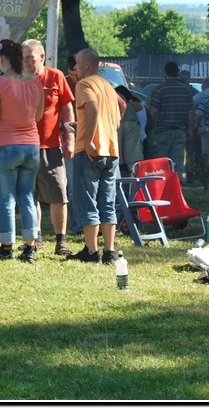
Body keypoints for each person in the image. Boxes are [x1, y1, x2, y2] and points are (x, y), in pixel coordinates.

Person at [0, 39, 44, 263]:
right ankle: (30, 247)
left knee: (6, 199)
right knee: (27, 197)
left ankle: (7, 246)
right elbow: (37, 116)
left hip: (6, 145)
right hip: (31, 146)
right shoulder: (35, 82)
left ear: (1, 58)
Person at [66, 47, 124, 265]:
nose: (75, 68)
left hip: (89, 151)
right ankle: (109, 251)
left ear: (87, 65)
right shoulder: (109, 87)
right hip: (111, 151)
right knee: (107, 203)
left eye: (78, 64)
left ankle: (91, 251)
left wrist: (89, 138)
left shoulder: (84, 84)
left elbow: (92, 109)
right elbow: (122, 107)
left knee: (87, 200)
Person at [22, 39, 74, 256]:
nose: (25, 62)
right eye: (22, 58)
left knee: (58, 193)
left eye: (29, 57)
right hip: (24, 144)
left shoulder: (56, 76)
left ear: (42, 57)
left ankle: (61, 241)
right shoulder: (18, 79)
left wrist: (70, 139)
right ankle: (36, 238)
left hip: (50, 146)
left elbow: (68, 109)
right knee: (29, 195)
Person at [146, 61, 195, 179]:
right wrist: (190, 129)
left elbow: (154, 111)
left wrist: (147, 127)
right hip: (180, 131)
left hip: (163, 130)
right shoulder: (186, 90)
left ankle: (161, 188)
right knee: (177, 162)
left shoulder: (159, 89)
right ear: (178, 73)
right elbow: (191, 112)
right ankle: (176, 187)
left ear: (165, 73)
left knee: (161, 162)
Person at [63, 53, 82, 235]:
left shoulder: (92, 83)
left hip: (89, 141)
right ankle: (78, 226)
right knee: (73, 188)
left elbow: (121, 105)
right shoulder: (65, 83)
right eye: (72, 74)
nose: (75, 78)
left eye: (78, 74)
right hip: (70, 141)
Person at [114, 85, 145, 177]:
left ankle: (121, 186)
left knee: (116, 158)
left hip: (116, 124)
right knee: (133, 158)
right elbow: (123, 104)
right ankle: (135, 185)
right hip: (131, 122)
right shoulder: (116, 94)